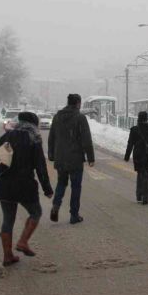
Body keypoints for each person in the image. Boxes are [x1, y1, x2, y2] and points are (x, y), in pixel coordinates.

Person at [0, 112, 53, 267]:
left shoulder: (8, 136)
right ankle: (23, 241)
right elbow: (40, 167)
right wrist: (47, 188)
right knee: (36, 212)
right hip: (25, 185)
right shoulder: (34, 139)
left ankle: (7, 256)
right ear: (34, 124)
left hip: (5, 184)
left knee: (8, 220)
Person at [48, 93, 95, 224]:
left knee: (61, 184)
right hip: (75, 159)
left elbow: (52, 137)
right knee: (76, 187)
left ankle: (55, 206)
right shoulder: (80, 118)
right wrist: (90, 157)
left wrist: (51, 154)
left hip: (61, 159)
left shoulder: (57, 117)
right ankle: (74, 215)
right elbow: (86, 139)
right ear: (78, 103)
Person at [124, 111, 148, 205]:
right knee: (146, 175)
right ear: (147, 118)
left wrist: (127, 156)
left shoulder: (134, 129)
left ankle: (139, 196)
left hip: (137, 154)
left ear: (138, 118)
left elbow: (130, 144)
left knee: (140, 174)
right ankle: (145, 198)